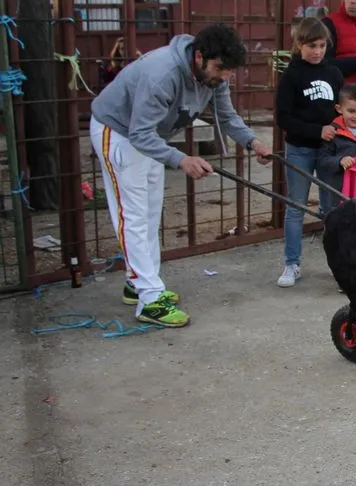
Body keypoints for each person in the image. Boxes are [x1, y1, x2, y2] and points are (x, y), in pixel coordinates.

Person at [89, 24, 272, 328]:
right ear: (199, 56)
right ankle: (150, 298)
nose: (223, 76)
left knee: (149, 213)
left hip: (150, 136)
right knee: (132, 214)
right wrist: (181, 159)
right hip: (119, 131)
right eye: (219, 68)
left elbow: (226, 117)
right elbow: (139, 132)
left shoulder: (214, 77)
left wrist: (253, 142)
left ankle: (139, 283)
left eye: (229, 71)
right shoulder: (162, 74)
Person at [274, 18, 345, 288]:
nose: (317, 51)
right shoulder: (291, 76)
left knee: (331, 211)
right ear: (298, 45)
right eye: (311, 46)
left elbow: (345, 106)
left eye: (322, 45)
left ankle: (339, 265)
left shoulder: (334, 73)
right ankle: (292, 263)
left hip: (329, 152)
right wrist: (317, 131)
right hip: (300, 149)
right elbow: (284, 118)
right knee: (296, 207)